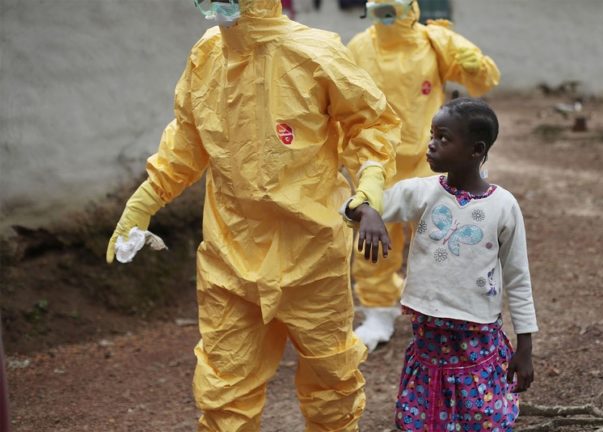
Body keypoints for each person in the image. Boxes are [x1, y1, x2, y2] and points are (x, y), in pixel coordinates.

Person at [105, 0, 399, 430]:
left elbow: (370, 125)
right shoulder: (207, 54)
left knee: (330, 379)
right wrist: (144, 202)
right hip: (231, 256)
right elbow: (184, 144)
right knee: (225, 386)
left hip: (311, 253)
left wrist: (368, 191)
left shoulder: (315, 53)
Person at [344, 98, 537, 431]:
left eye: (444, 138)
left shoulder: (504, 206)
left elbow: (519, 278)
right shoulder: (421, 193)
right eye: (432, 134)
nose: (431, 144)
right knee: (424, 417)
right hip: (428, 340)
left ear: (476, 150)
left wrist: (526, 348)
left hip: (476, 337)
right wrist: (367, 212)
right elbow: (353, 207)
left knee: (481, 418)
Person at [347, 0, 501, 351]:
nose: (386, 12)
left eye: (392, 7)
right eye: (379, 6)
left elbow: (484, 78)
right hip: (378, 158)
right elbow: (344, 99)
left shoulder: (434, 41)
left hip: (428, 157)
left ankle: (444, 309)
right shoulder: (358, 47)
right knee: (374, 238)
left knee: (440, 236)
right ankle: (378, 312)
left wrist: (474, 65)